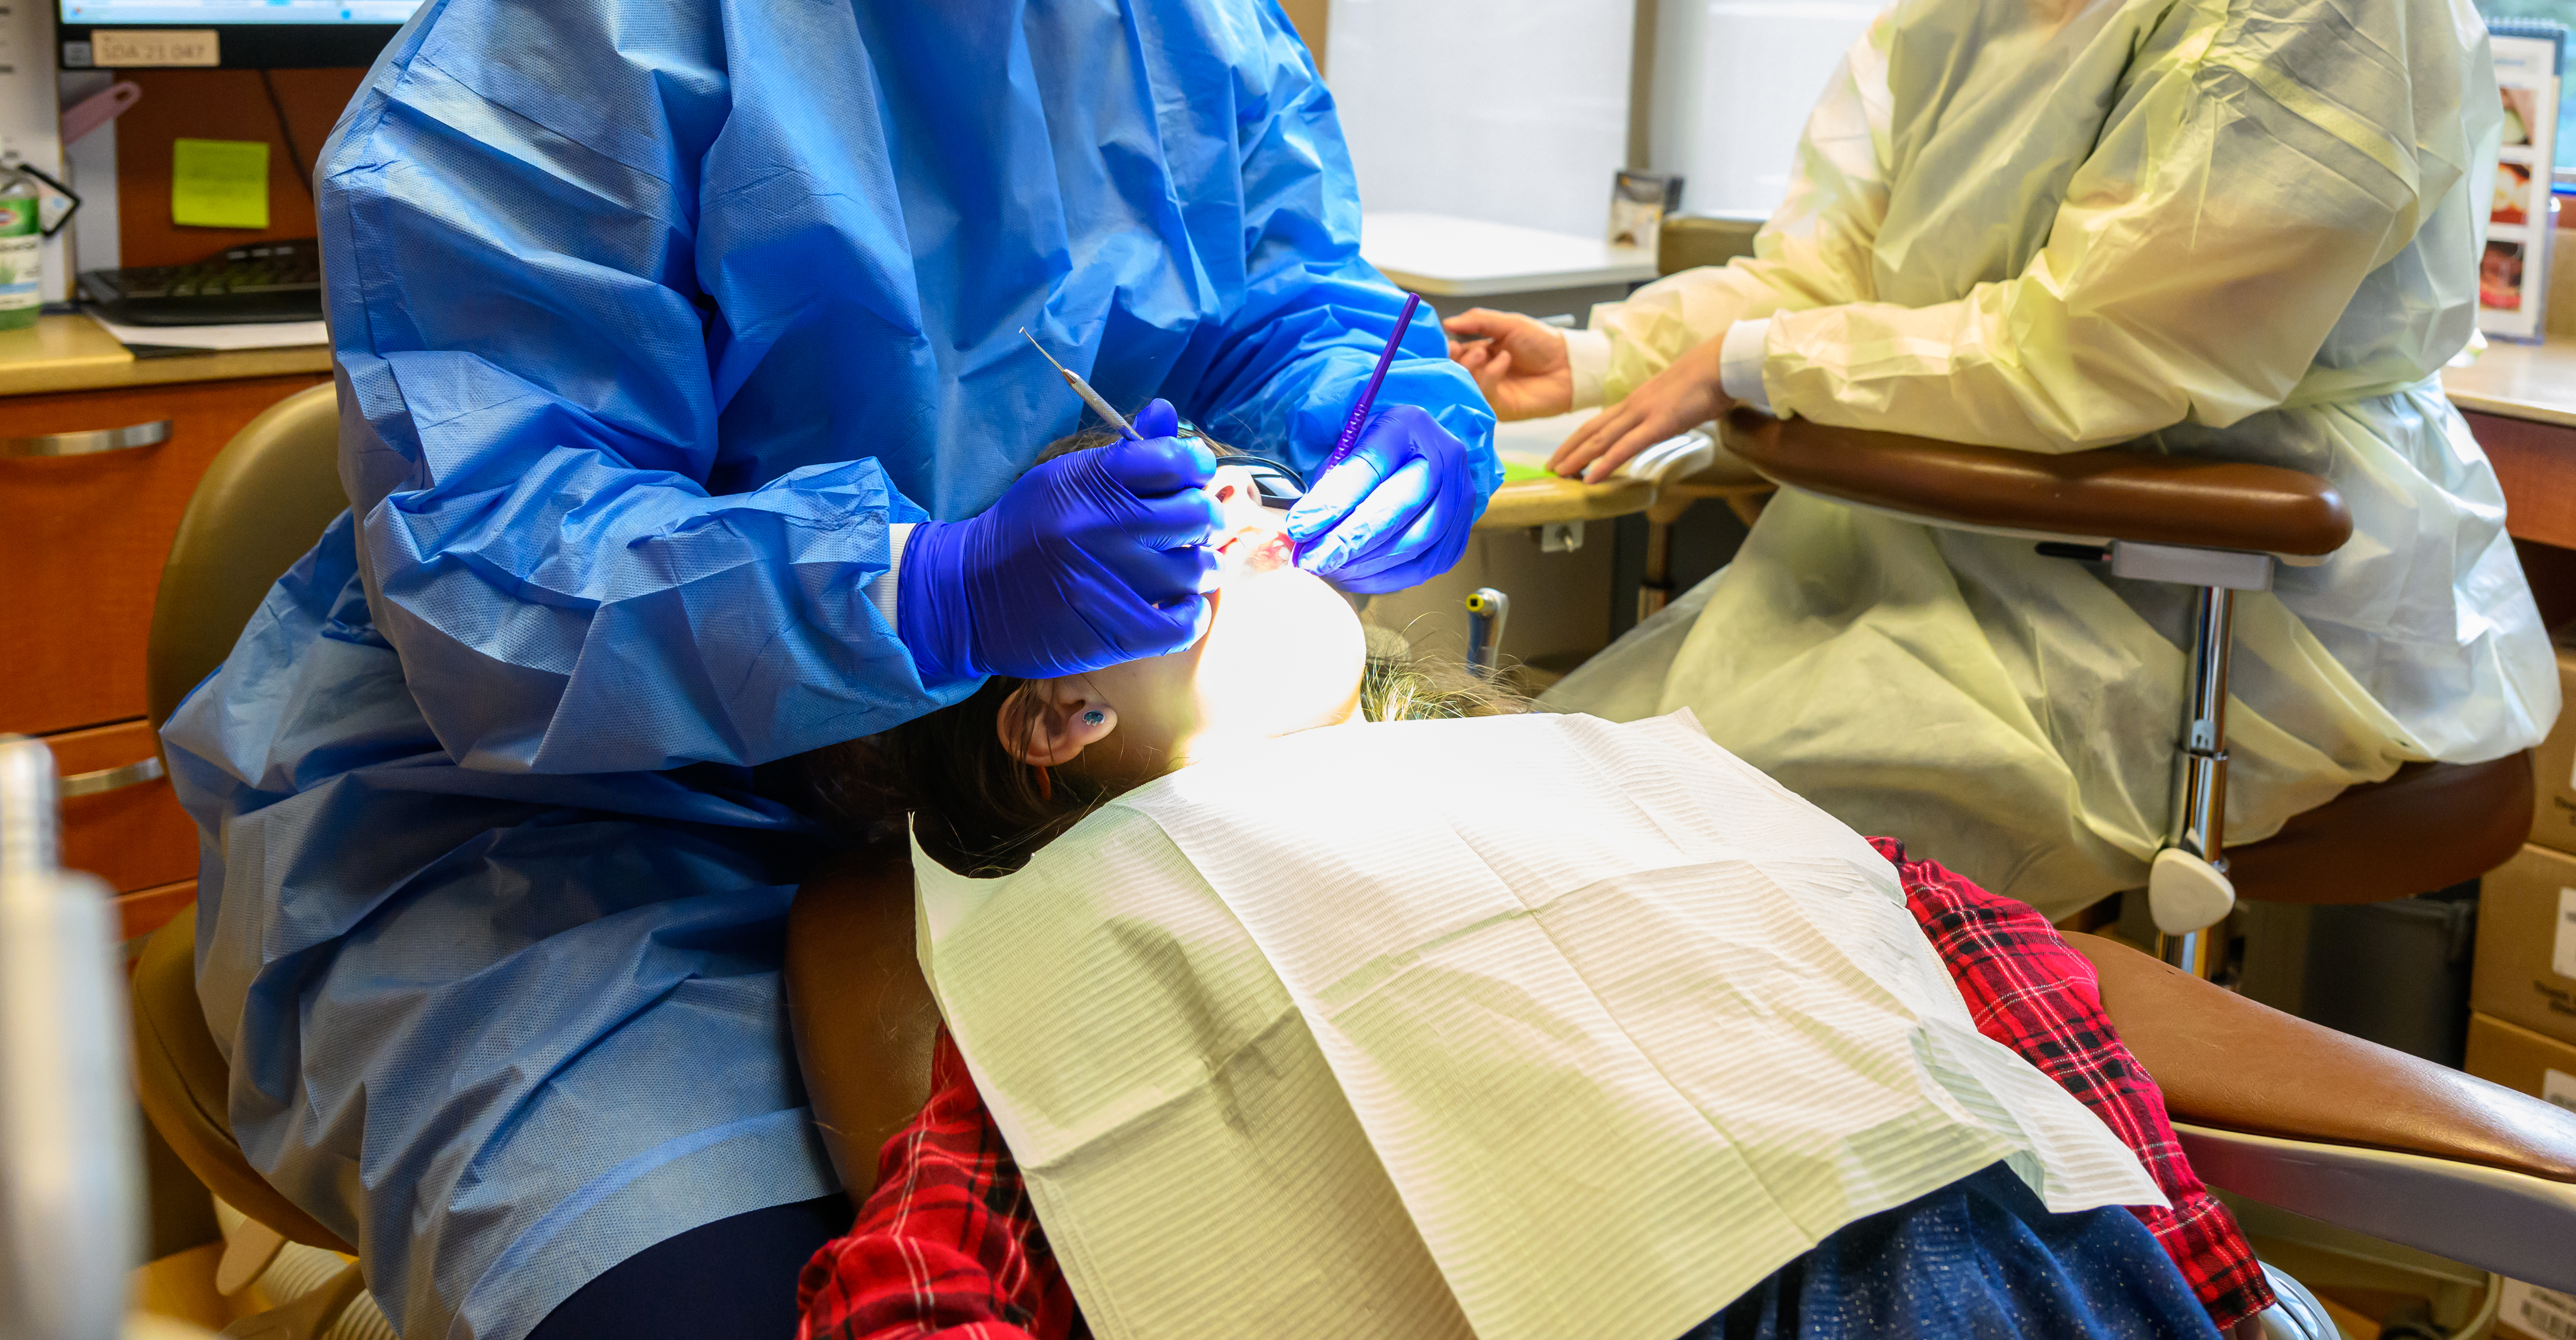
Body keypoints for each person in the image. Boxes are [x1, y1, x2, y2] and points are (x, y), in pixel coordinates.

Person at [160, 0, 1493, 1340]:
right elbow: (495, 568)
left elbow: (1278, 297)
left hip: (1009, 805)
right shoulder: (603, 4)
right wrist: (925, 586)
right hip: (581, 851)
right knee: (743, 1297)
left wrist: (1370, 409)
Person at [1450, 0, 2556, 920]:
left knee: (1672, 886)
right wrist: (1604, 359)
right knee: (1552, 813)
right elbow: (1826, 273)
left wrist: (1750, 369)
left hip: (2199, 605)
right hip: (1929, 556)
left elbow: (2090, 355)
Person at [776, 430, 2279, 1339]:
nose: (1236, 501)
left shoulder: (1596, 768)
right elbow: (913, 1279)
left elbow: (1967, 958)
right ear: (1055, 716)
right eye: (1161, 533)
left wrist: (2223, 1289)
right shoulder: (1088, 932)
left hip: (2018, 1256)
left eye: (1236, 484)